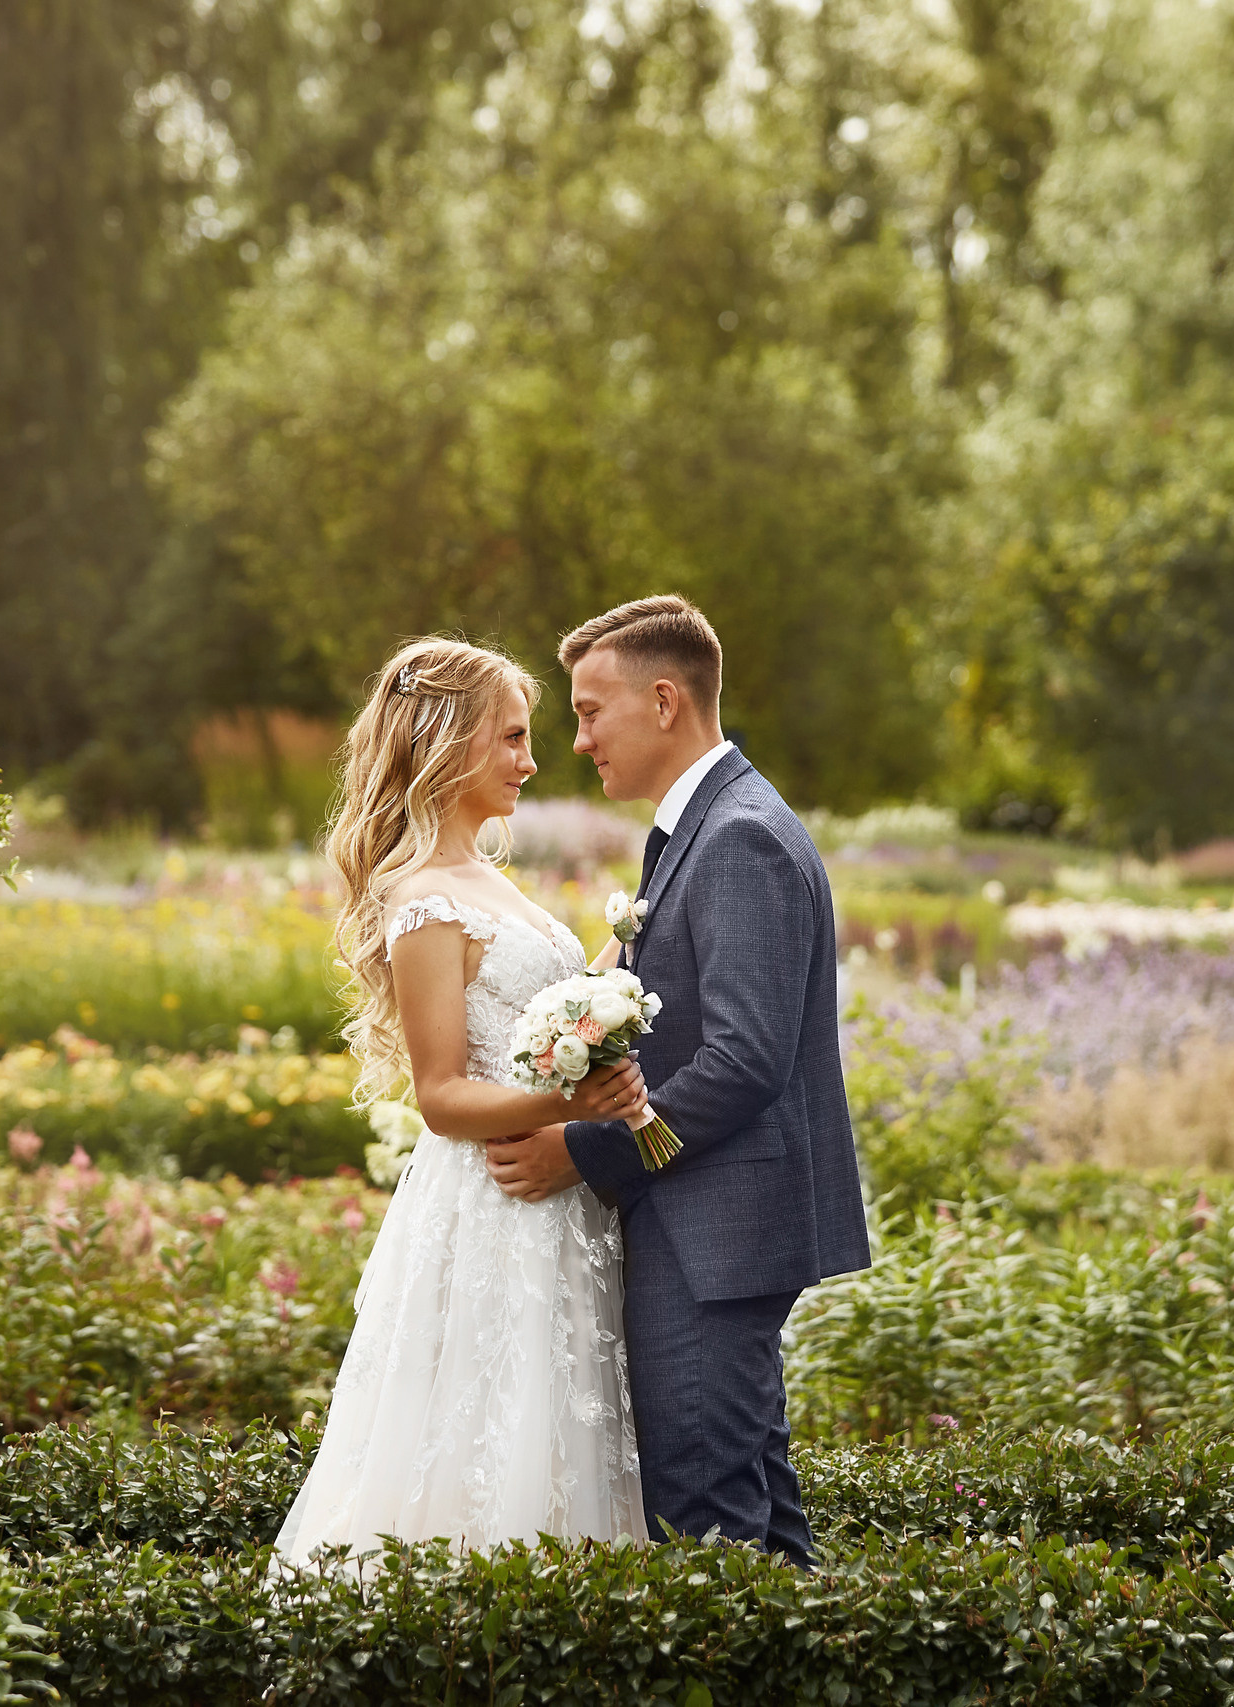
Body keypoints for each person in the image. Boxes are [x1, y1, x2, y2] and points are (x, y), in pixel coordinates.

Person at [485, 595, 870, 1566]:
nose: (577, 741)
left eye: (588, 710)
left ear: (663, 701)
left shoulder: (737, 836)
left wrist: (582, 1151)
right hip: (708, 1227)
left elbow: (743, 1062)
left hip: (717, 1237)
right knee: (759, 1525)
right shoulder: (708, 825)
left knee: (707, 1528)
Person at [271, 637, 652, 1566]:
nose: (531, 759)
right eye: (513, 738)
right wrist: (578, 1106)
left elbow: (530, 1019)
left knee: (562, 1420)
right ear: (447, 743)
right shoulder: (425, 903)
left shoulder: (490, 881)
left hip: (558, 1202)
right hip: (492, 1203)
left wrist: (621, 976)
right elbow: (441, 1095)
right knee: (491, 1431)